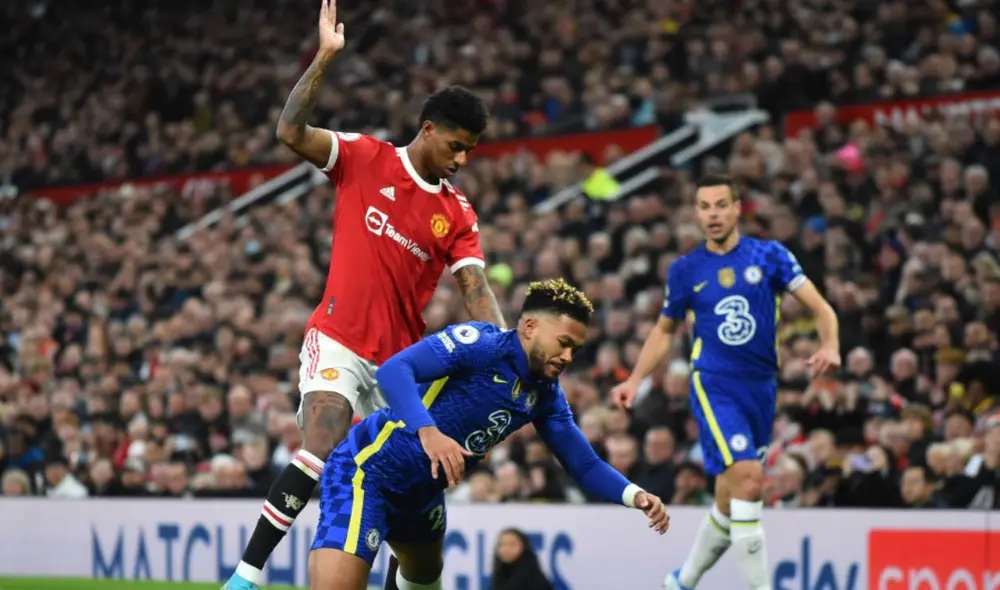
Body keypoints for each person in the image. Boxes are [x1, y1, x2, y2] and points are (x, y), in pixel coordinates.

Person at [224, 1, 506, 588]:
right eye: (455, 145)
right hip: (337, 339)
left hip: (401, 366)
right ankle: (247, 576)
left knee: (409, 511)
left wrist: (502, 350)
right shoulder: (364, 157)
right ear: (427, 130)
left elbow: (474, 286)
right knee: (321, 440)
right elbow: (289, 132)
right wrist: (324, 58)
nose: (460, 159)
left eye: (469, 152)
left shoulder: (457, 213)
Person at [309, 279, 670, 590]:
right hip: (368, 472)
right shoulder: (481, 344)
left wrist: (635, 495)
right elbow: (393, 371)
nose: (568, 356)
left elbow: (584, 464)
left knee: (423, 581)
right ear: (529, 327)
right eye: (562, 342)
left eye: (575, 348)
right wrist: (429, 433)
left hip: (423, 495)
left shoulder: (546, 396)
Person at [611, 174, 841, 590]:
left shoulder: (769, 256)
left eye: (721, 205)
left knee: (728, 497)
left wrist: (831, 344)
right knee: (751, 479)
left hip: (761, 387)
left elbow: (822, 307)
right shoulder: (686, 270)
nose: (713, 214)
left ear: (738, 208)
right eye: (705, 206)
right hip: (715, 383)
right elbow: (665, 331)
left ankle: (681, 582)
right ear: (696, 213)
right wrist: (637, 378)